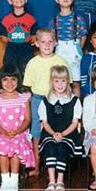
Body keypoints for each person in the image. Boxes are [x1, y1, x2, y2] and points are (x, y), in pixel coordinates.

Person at [23, 28, 71, 178]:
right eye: (43, 42)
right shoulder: (32, 63)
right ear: (36, 43)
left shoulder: (60, 61)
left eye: (50, 41)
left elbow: (67, 84)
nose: (47, 45)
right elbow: (29, 86)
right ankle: (36, 166)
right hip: (38, 100)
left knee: (56, 132)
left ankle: (58, 168)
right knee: (36, 134)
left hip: (56, 101)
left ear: (56, 42)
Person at [38, 65, 83, 191]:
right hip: (50, 133)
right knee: (50, 146)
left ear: (68, 81)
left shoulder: (74, 100)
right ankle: (51, 181)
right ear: (52, 82)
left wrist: (62, 134)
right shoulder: (46, 100)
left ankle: (60, 181)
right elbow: (44, 122)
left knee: (62, 147)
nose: (60, 84)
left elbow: (75, 123)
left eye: (63, 80)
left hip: (68, 134)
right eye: (56, 81)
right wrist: (53, 133)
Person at [0, 64, 35, 191]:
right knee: (1, 147)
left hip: (20, 132)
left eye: (13, 79)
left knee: (15, 145)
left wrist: (17, 131)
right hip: (1, 133)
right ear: (0, 81)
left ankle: (13, 179)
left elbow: (27, 119)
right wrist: (3, 132)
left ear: (18, 80)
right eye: (5, 79)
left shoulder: (23, 97)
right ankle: (5, 180)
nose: (9, 83)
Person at [48, 0, 88, 96]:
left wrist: (79, 48)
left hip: (74, 50)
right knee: (59, 79)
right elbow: (51, 36)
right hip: (59, 50)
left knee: (75, 82)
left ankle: (77, 108)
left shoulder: (78, 18)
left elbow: (83, 34)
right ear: (56, 0)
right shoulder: (54, 19)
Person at [0, 0, 37, 74]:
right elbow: (4, 38)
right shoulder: (5, 20)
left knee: (27, 73)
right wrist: (15, 38)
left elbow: (34, 36)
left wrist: (26, 40)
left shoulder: (31, 19)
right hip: (11, 50)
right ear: (9, 1)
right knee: (11, 72)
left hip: (26, 49)